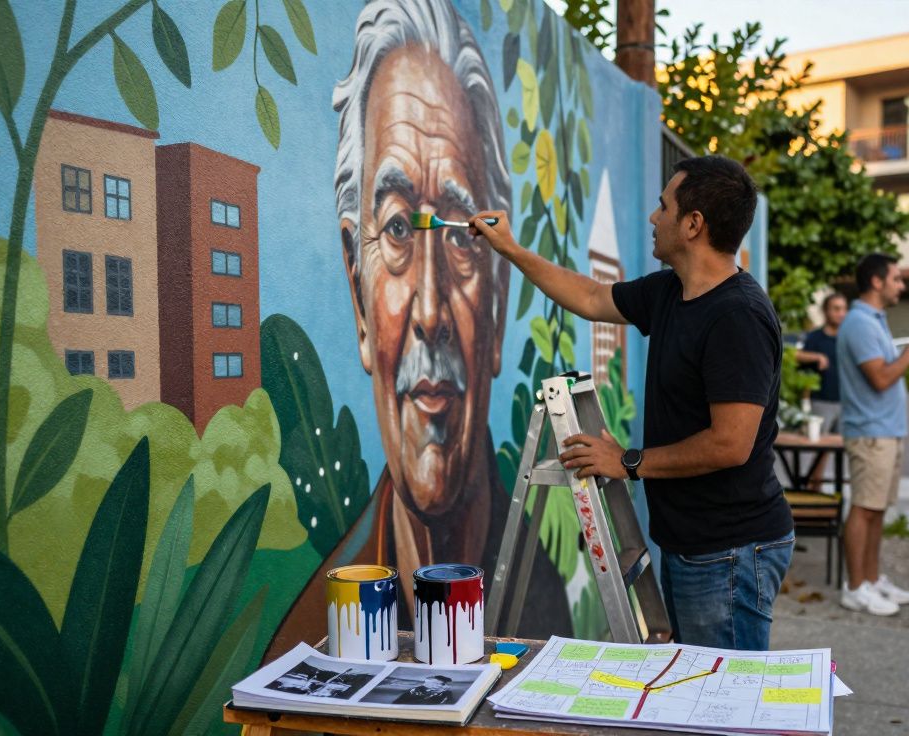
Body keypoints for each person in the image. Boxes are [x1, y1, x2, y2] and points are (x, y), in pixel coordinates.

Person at [268, 0, 568, 657]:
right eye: (399, 228)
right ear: (357, 293)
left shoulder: (553, 616)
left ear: (496, 302)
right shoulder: (302, 649)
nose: (430, 312)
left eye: (462, 236)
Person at [470, 155, 793, 651]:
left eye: (663, 206)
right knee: (696, 698)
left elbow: (731, 444)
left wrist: (629, 462)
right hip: (695, 545)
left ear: (692, 224)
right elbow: (592, 296)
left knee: (722, 710)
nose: (652, 217)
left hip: (730, 553)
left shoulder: (736, 317)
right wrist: (510, 250)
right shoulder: (671, 292)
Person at [837, 253, 909, 617]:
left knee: (876, 511)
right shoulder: (859, 323)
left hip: (886, 432)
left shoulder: (874, 320)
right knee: (863, 509)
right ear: (877, 281)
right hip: (871, 433)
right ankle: (855, 587)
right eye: (897, 279)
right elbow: (881, 377)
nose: (901, 286)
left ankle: (871, 580)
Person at [797, 292, 848, 432]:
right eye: (836, 309)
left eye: (844, 309)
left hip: (847, 402)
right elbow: (795, 355)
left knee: (845, 449)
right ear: (826, 311)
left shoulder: (849, 337)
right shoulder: (814, 337)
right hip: (821, 402)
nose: (841, 313)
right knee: (821, 449)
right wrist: (817, 357)